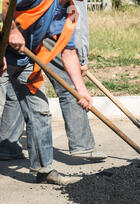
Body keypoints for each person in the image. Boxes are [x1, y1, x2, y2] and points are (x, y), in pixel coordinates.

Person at [0, 0, 106, 161]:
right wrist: (12, 31)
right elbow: (6, 2)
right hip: (4, 46)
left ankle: (43, 168)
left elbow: (69, 52)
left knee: (38, 110)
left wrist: (81, 90)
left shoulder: (71, 12)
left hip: (23, 59)